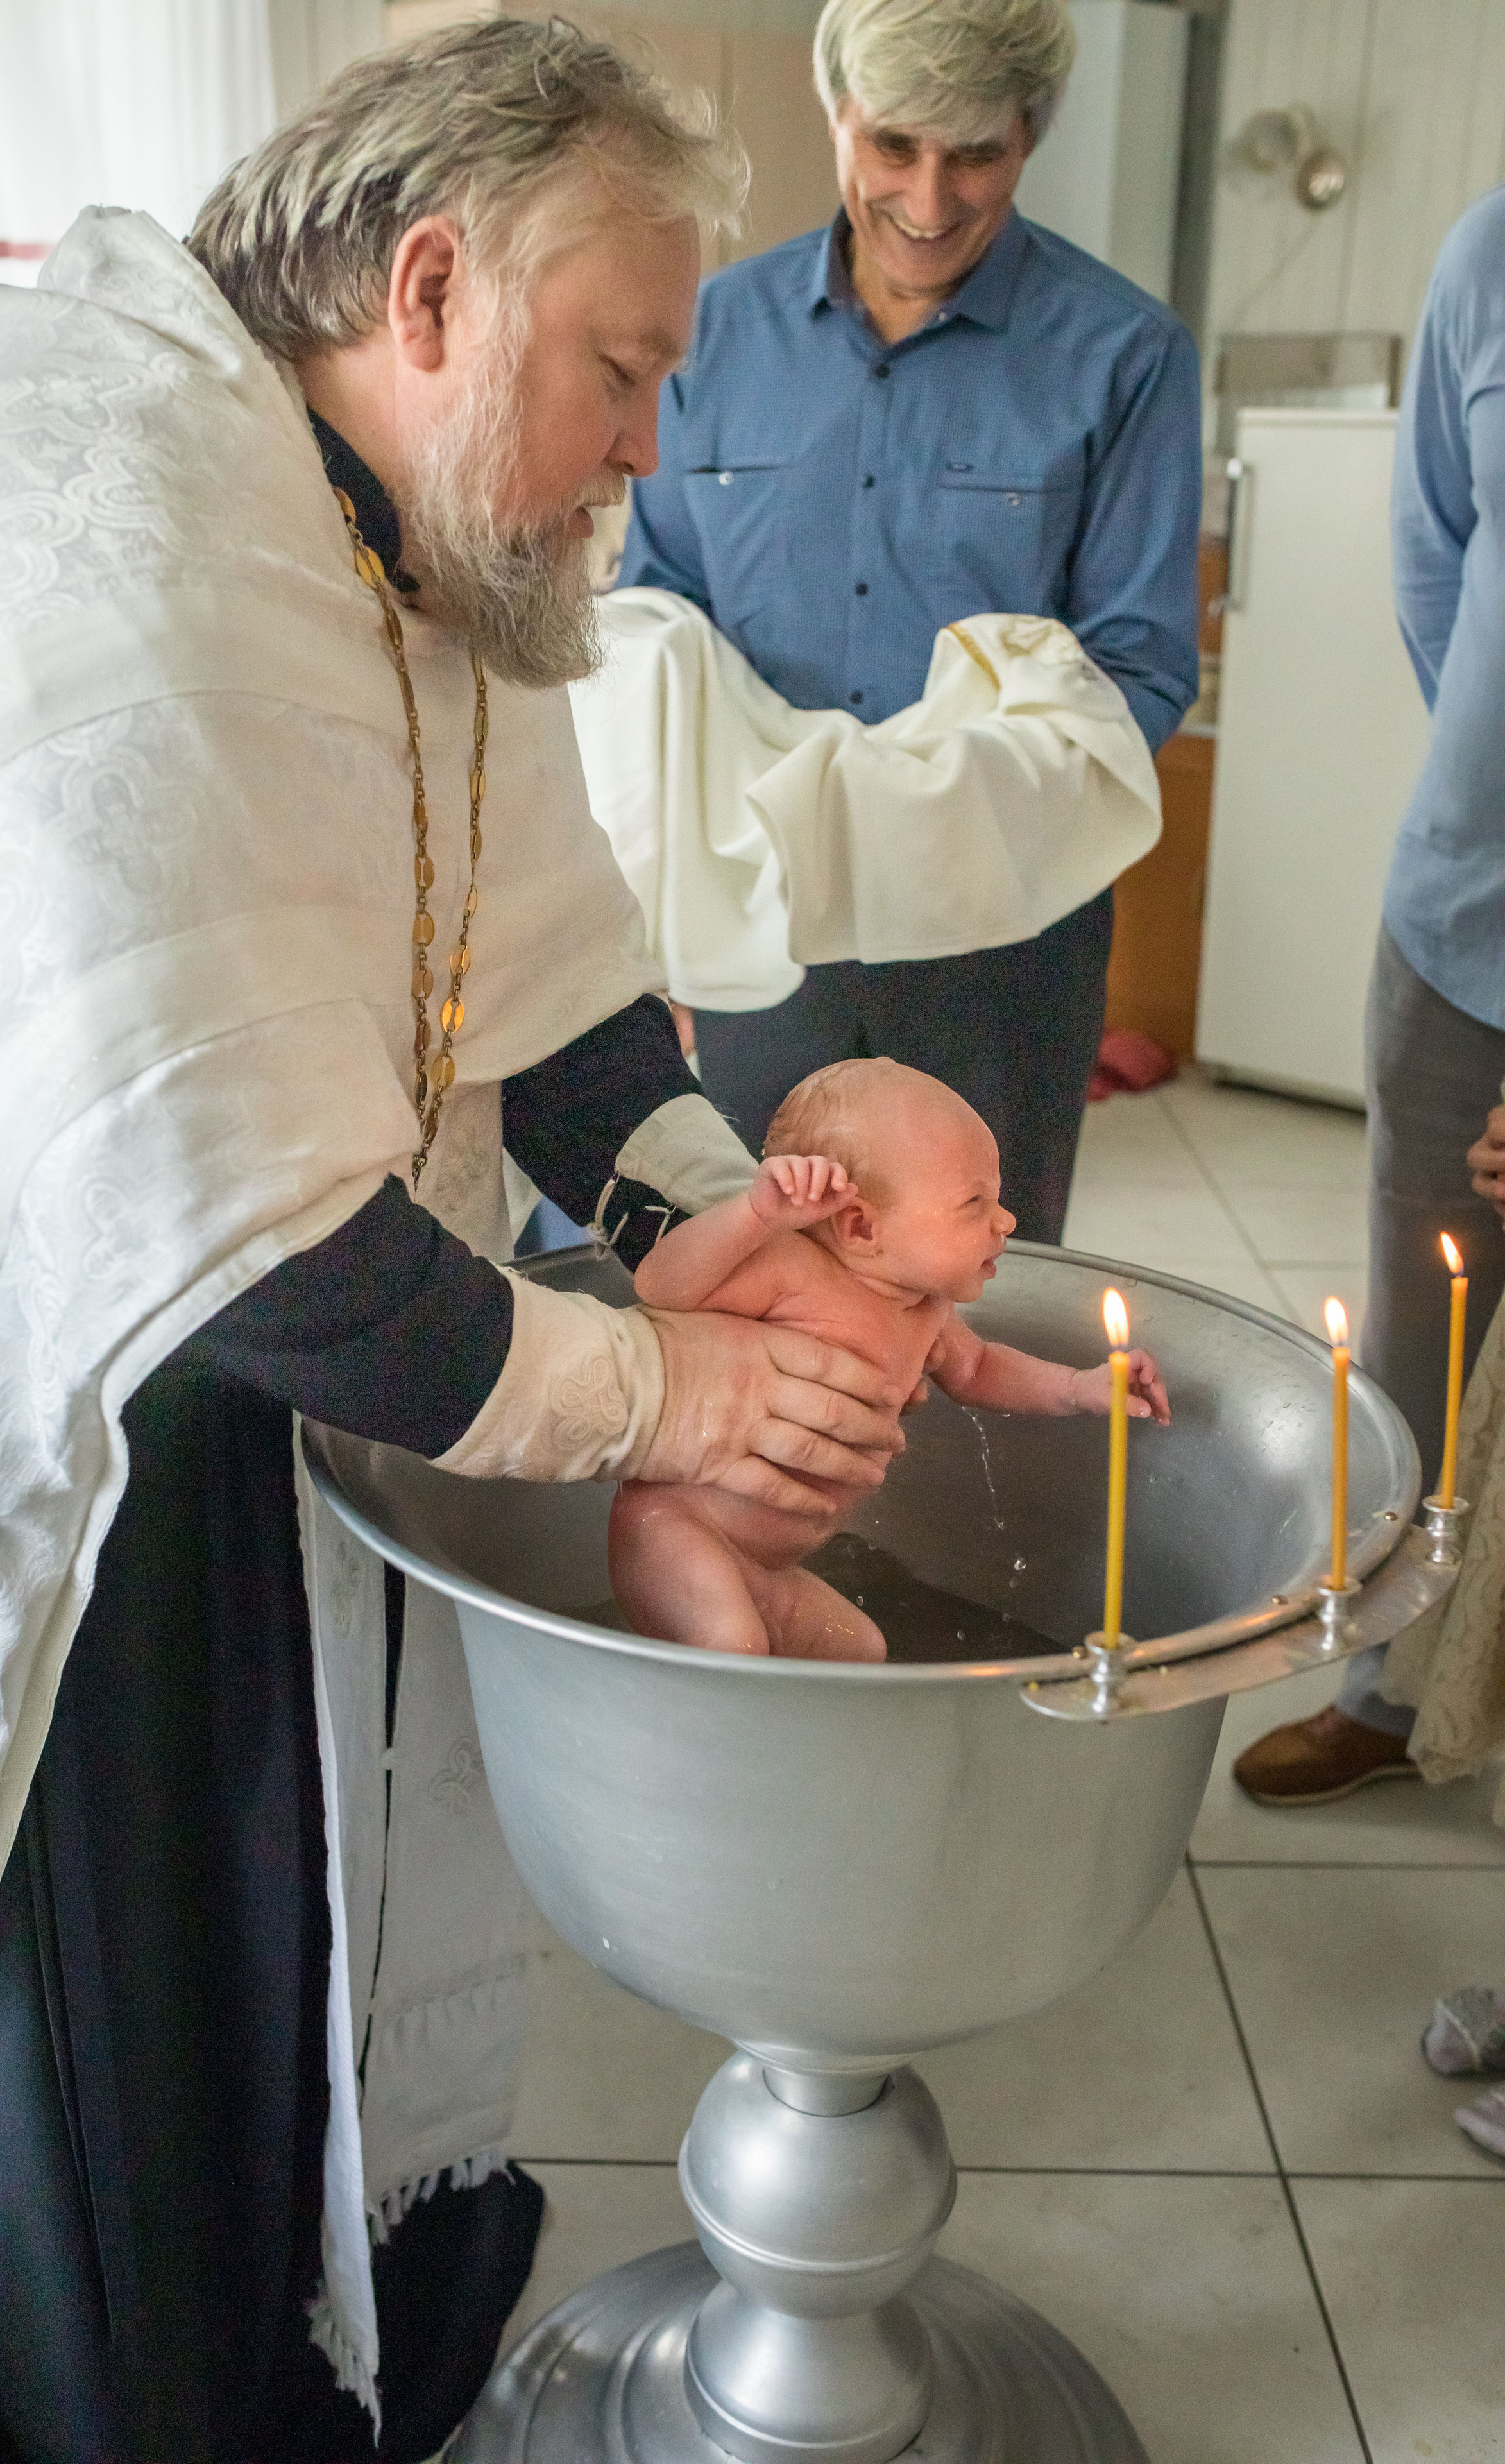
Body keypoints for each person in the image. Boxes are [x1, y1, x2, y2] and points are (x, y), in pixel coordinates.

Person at [0, 28, 912, 2462]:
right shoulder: (103, 539)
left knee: (293, 1935)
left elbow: (529, 994)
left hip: (303, 1380)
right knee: (136, 1997)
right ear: (432, 287)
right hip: (87, 1418)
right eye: (624, 370)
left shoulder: (406, 516)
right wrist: (672, 1390)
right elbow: (208, 1219)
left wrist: (727, 1212)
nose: (652, 442)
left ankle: (318, 2315)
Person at [616, 0, 1201, 1242]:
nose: (929, 200)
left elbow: (1141, 667)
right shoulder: (710, 337)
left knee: (984, 1273)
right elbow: (657, 619)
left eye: (974, 154)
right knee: (753, 1267)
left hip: (1001, 939)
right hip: (764, 919)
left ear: (1030, 134)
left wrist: (946, 817)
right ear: (837, 116)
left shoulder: (1126, 355)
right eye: (893, 147)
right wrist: (655, 915)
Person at [1236, 187, 1505, 1808]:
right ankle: (1389, 1689)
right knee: (1419, 1331)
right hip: (1457, 924)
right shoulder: (1483, 251)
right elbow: (1434, 561)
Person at [610, 1060, 1169, 1659]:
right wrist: (755, 1215)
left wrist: (1083, 1387)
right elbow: (662, 1285)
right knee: (735, 1645)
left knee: (860, 1651)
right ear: (860, 1226)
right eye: (974, 1203)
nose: (1005, 1221)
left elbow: (979, 1371)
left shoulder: (926, 1312)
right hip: (677, 1531)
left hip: (763, 1566)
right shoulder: (790, 1274)